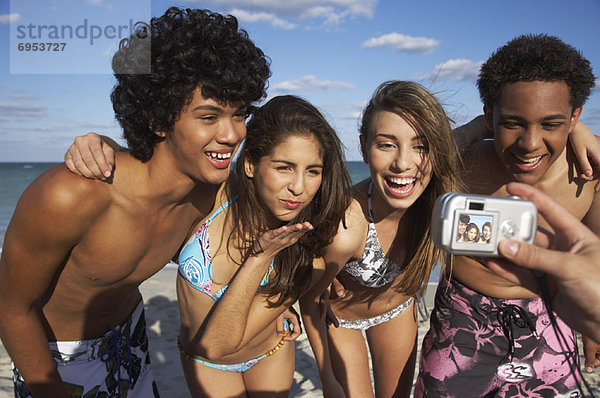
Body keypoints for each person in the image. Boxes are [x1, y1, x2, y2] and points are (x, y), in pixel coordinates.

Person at [0, 7, 270, 398]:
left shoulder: (209, 193)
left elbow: (245, 249)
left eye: (240, 114)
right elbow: (10, 306)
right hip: (56, 360)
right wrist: (49, 388)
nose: (231, 134)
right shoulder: (71, 195)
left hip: (132, 341)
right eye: (209, 117)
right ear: (158, 119)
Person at [416, 34, 599, 397]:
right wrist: (480, 127)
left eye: (551, 124)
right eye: (512, 123)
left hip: (550, 319)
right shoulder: (464, 165)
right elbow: (418, 165)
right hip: (462, 318)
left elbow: (593, 260)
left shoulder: (588, 175)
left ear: (574, 116)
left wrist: (592, 328)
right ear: (488, 116)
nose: (529, 144)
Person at [176, 95, 351, 396]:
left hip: (269, 353)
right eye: (284, 167)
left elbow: (217, 343)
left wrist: (260, 257)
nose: (299, 187)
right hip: (206, 364)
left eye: (313, 171)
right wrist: (99, 144)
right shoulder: (212, 197)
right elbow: (154, 170)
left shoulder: (304, 258)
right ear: (250, 165)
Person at [300, 81, 465, 398]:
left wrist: (578, 132)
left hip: (397, 309)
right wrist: (326, 377)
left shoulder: (440, 204)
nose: (403, 163)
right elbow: (310, 298)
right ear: (364, 147)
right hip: (342, 321)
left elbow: (487, 132)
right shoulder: (346, 226)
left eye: (420, 146)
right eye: (387, 145)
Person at [484, 182, 600, 343]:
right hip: (466, 310)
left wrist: (592, 325)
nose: (527, 154)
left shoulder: (587, 171)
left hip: (557, 313)